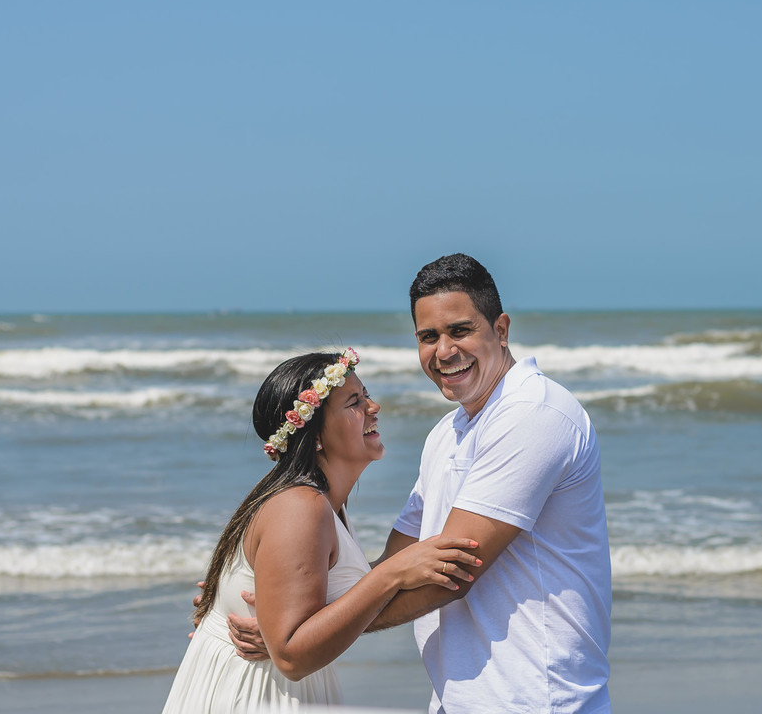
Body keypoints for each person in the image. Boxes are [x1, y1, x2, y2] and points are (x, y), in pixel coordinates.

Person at [226, 255, 612, 713]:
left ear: (501, 329)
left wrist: (302, 631)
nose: (444, 351)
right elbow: (393, 564)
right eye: (428, 337)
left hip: (535, 698)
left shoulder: (532, 413)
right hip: (458, 698)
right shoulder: (446, 433)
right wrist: (280, 602)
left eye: (460, 330)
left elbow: (451, 575)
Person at [162, 349, 480, 713]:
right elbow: (293, 657)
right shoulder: (302, 508)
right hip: (256, 694)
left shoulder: (323, 503)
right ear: (315, 436)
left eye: (367, 394)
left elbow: (313, 612)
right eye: (354, 402)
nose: (374, 407)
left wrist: (277, 621)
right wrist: (392, 574)